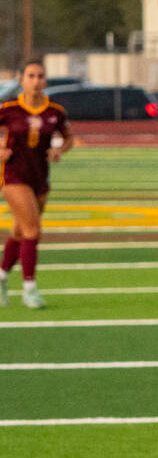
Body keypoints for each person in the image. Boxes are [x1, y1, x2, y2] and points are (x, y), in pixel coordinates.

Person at [0, 58, 74, 309]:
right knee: (34, 231)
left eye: (40, 76)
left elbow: (68, 138)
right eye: (30, 76)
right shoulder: (9, 108)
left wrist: (59, 150)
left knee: (21, 232)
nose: (36, 81)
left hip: (40, 178)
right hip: (13, 177)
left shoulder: (55, 111)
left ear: (45, 80)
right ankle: (29, 288)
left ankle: (1, 277)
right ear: (21, 80)